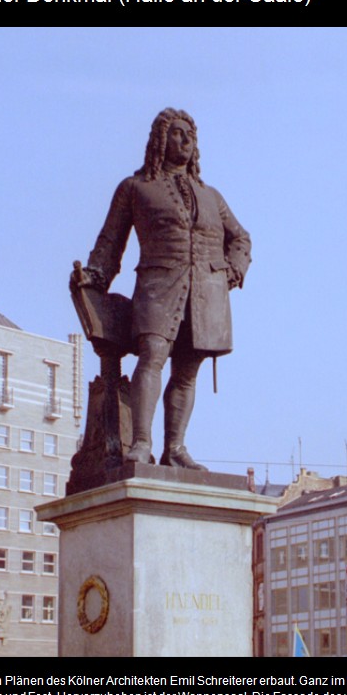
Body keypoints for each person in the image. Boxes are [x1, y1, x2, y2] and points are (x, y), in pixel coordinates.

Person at [71, 108, 251, 468]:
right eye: (177, 134)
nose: (184, 141)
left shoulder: (212, 196)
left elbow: (241, 238)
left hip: (205, 296)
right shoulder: (135, 188)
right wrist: (95, 274)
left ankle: (176, 449)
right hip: (158, 287)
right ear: (159, 139)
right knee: (152, 355)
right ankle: (140, 443)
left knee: (187, 370)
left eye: (190, 136)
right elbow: (111, 241)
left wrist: (232, 271)